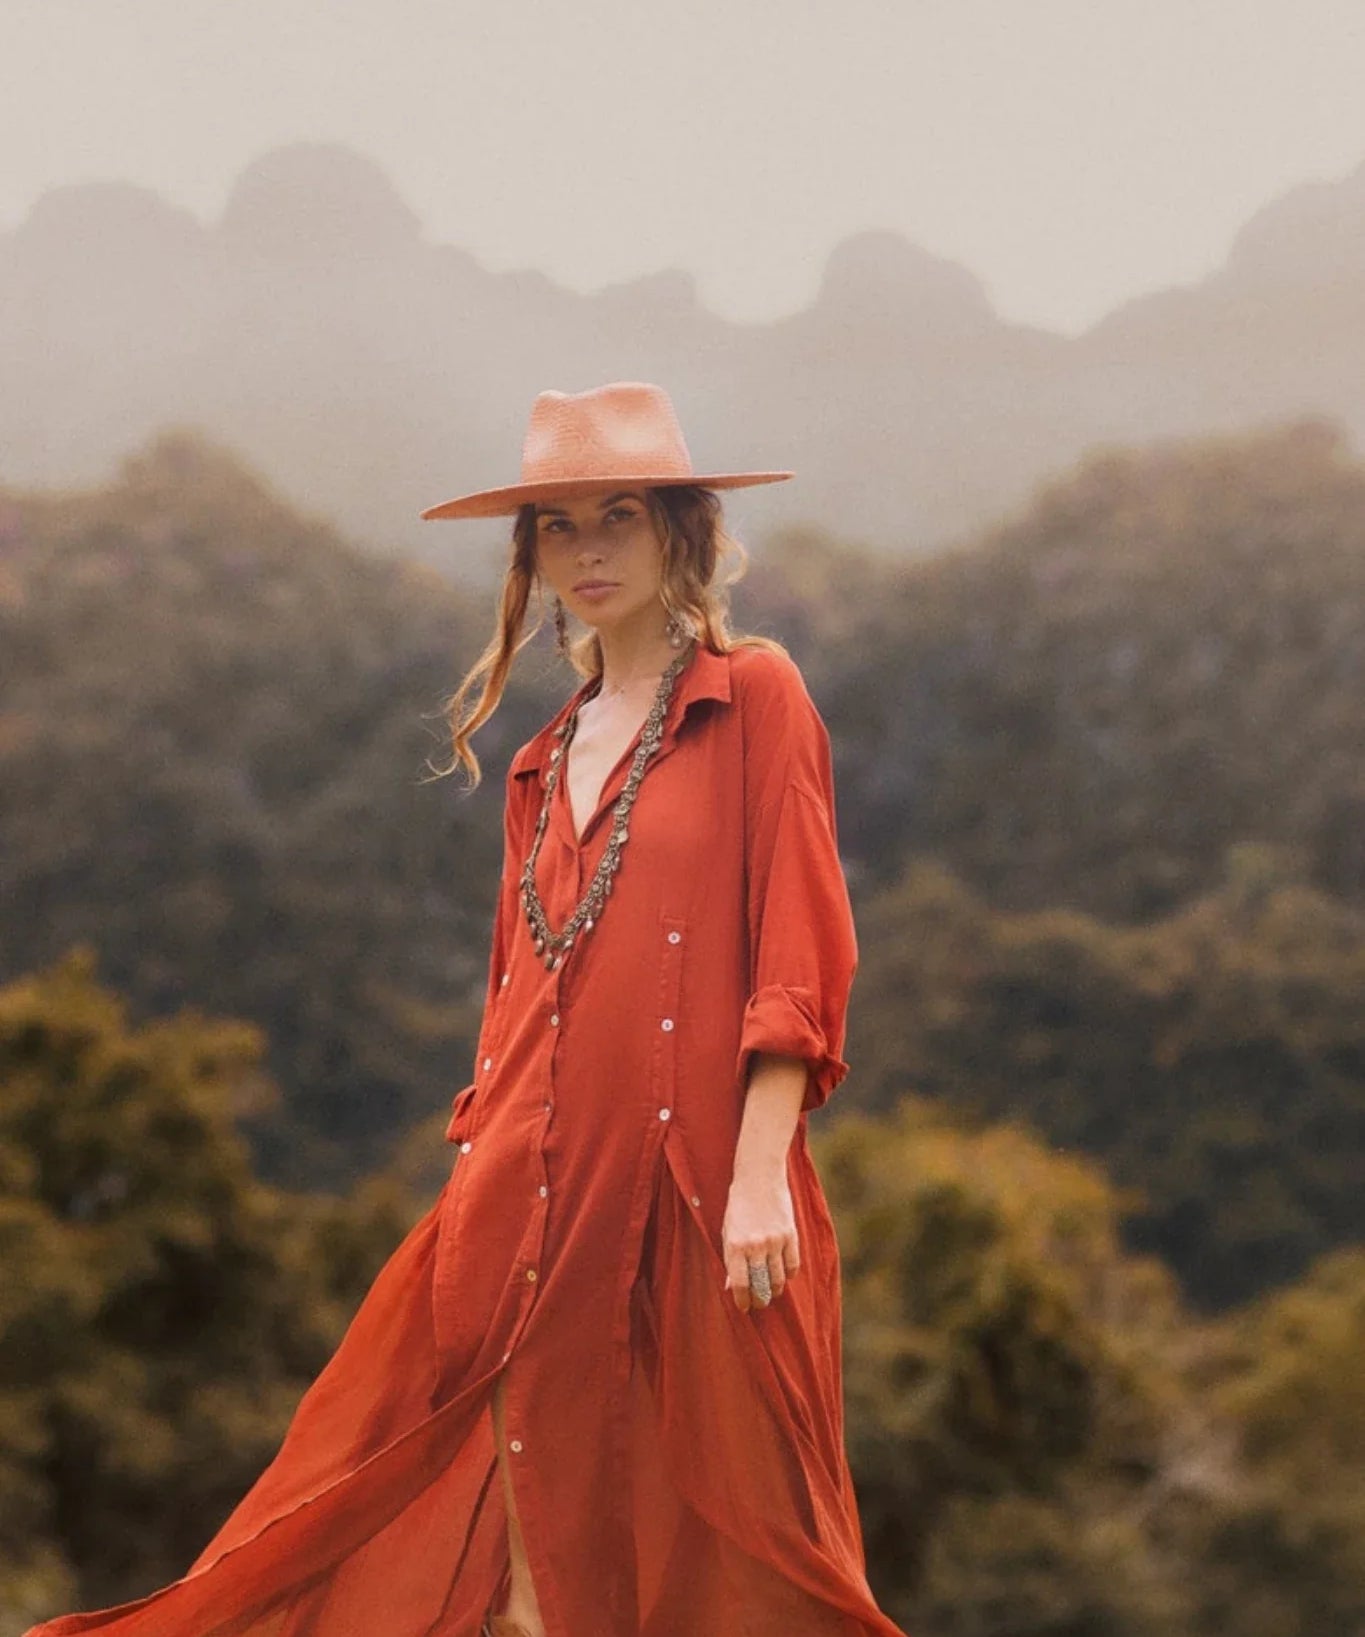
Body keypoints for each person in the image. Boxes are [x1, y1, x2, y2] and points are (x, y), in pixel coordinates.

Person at [25, 382, 908, 1637]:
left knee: (760, 1537)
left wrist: (762, 1171)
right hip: (525, 1189)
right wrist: (477, 1180)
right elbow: (518, 1003)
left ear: (680, 528)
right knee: (517, 1524)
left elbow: (802, 950)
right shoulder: (540, 763)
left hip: (703, 1185)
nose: (588, 549)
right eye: (557, 524)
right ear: (530, 554)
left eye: (617, 514)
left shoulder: (755, 695)